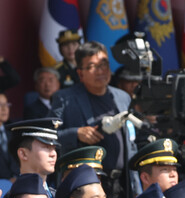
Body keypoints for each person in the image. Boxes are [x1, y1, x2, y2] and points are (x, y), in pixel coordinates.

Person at [50, 41, 133, 175]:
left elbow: (131, 141)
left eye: (103, 64)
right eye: (92, 66)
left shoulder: (123, 97)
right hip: (85, 181)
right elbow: (48, 136)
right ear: (80, 74)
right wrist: (76, 133)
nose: (100, 71)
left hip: (122, 182)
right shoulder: (65, 99)